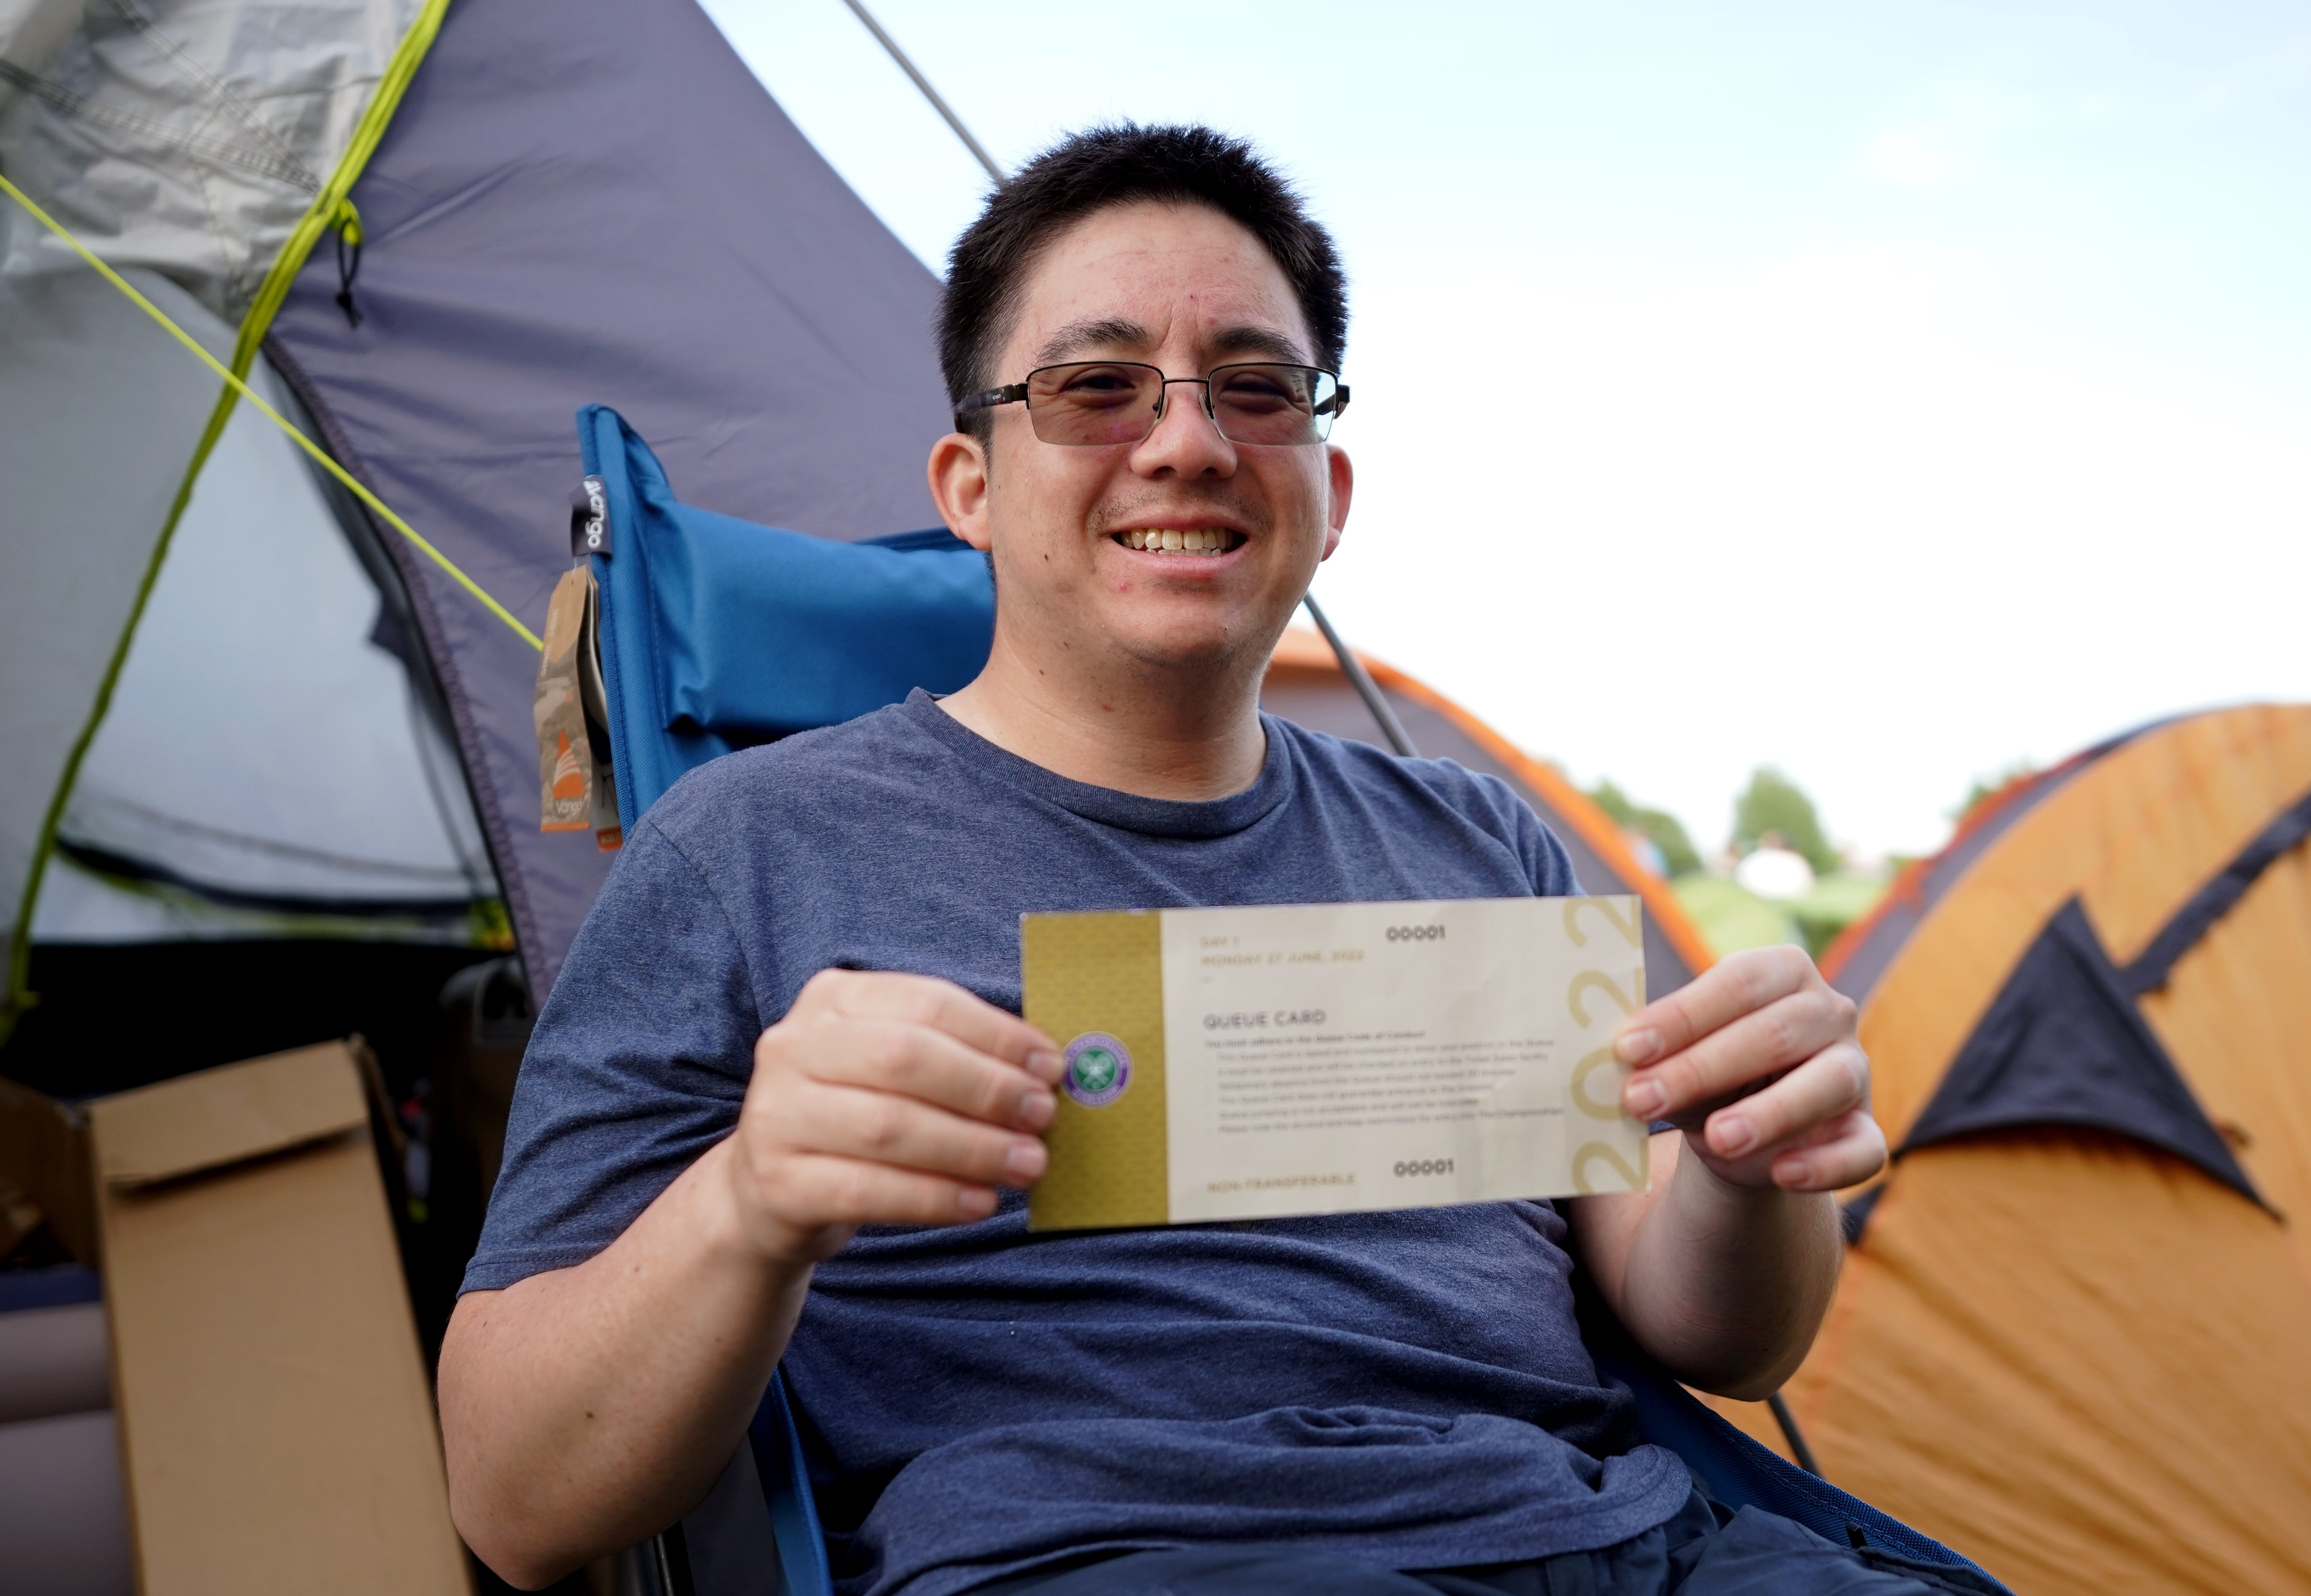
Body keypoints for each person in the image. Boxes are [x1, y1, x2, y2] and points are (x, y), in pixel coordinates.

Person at [440, 126, 1954, 1596]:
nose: (1186, 441)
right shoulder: (748, 850)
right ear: (967, 485)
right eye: (1098, 387)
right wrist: (752, 1200)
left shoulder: (1476, 839)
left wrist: (1758, 1173)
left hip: (1627, 1540)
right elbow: (511, 1501)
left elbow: (1721, 1338)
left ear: (1329, 494)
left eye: (1257, 387)